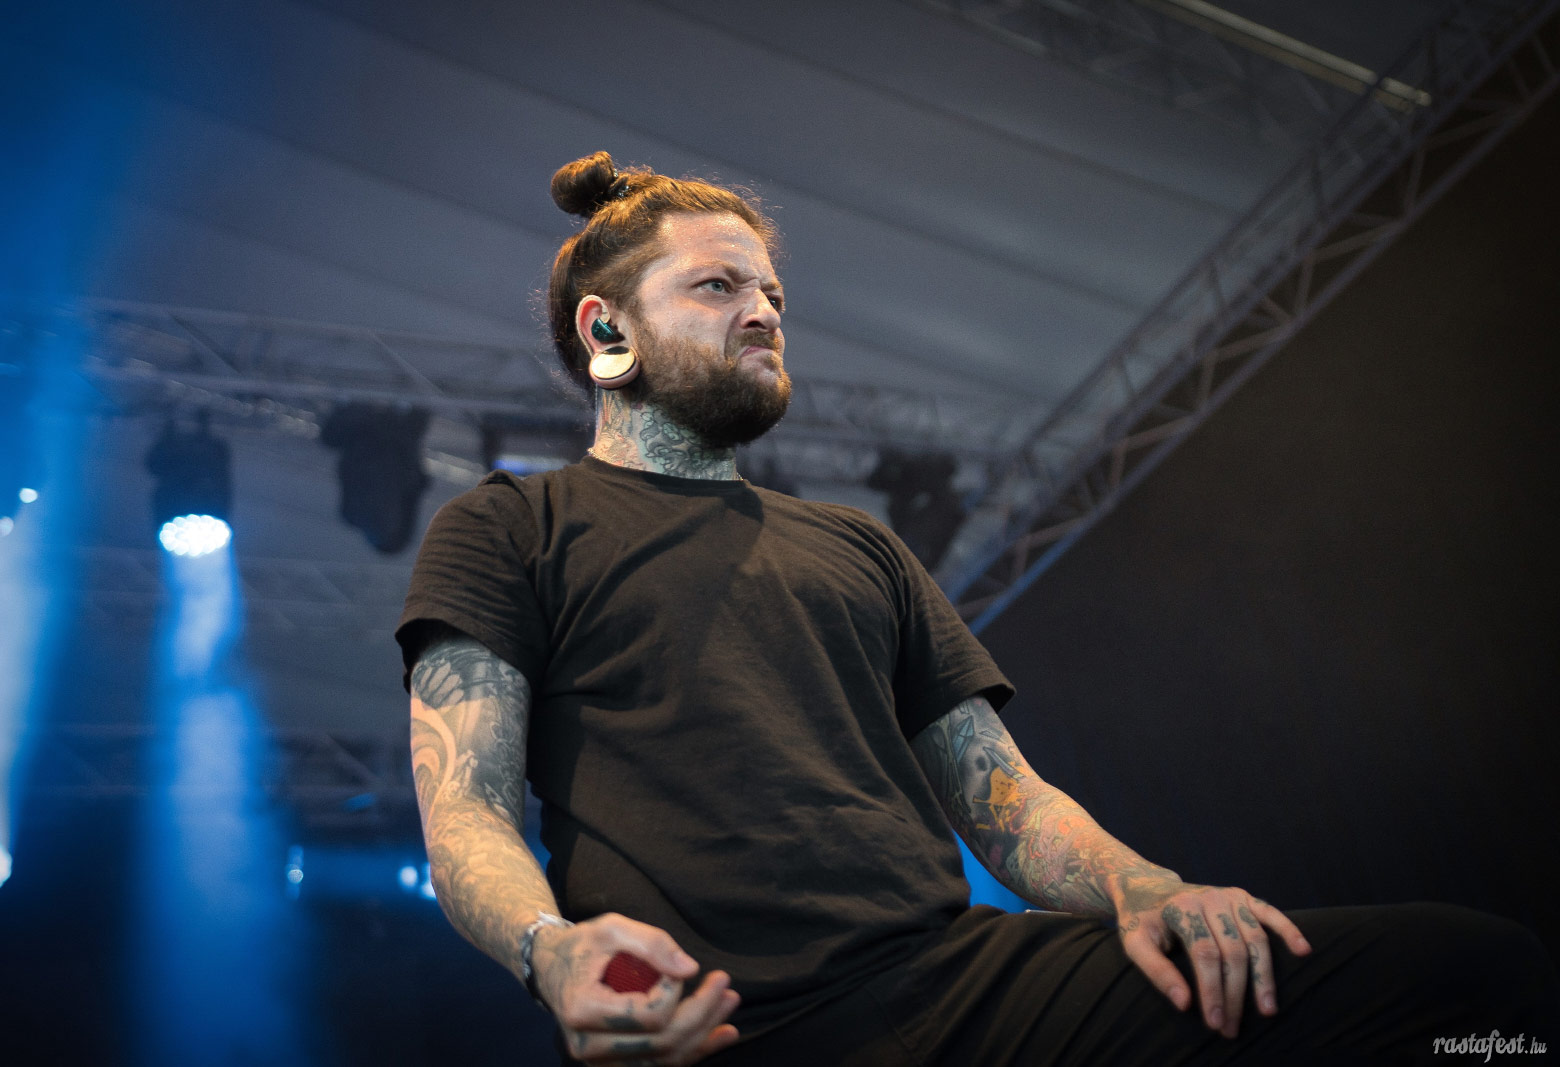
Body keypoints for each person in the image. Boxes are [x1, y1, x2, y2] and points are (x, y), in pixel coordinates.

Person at [397, 152, 1556, 1066]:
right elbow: (466, 812)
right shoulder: (513, 527)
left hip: (960, 986)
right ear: (607, 329)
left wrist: (1142, 884)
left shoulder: (859, 544)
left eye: (772, 292)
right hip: (717, 1027)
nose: (764, 312)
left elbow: (1003, 800)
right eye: (718, 286)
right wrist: (550, 950)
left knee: (1477, 978)